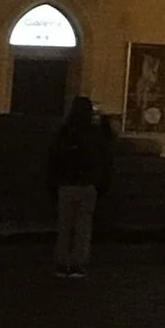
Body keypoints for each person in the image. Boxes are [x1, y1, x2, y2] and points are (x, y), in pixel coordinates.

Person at [47, 95, 112, 278]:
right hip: (88, 185)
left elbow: (53, 159)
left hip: (66, 184)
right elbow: (104, 158)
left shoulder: (65, 132)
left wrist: (53, 183)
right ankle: (77, 263)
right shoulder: (94, 134)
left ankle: (62, 263)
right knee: (83, 226)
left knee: (65, 226)